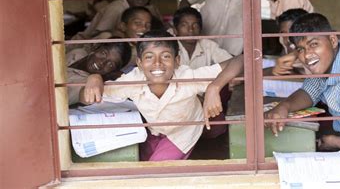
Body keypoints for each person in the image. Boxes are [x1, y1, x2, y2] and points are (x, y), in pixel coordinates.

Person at [204, 13, 340, 158]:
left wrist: (335, 141)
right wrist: (285, 106)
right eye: (300, 49)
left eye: (313, 44)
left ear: (332, 40)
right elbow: (311, 90)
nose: (306, 55)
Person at [81, 30, 244, 161]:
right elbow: (90, 96)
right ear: (139, 63)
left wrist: (214, 87)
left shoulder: (187, 77)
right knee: (143, 164)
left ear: (177, 60)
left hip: (183, 131)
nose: (157, 63)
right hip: (155, 130)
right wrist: (94, 78)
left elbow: (242, 59)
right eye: (149, 57)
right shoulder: (132, 80)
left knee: (157, 170)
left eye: (165, 56)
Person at [173, 7, 233, 138]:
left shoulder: (208, 45)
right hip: (177, 100)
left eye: (195, 25)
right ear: (175, 30)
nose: (190, 30)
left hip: (206, 99)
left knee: (217, 127)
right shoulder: (168, 47)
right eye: (184, 25)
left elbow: (231, 62)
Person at [71, 0, 153, 41]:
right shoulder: (117, 8)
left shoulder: (141, 11)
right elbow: (98, 35)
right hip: (82, 48)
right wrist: (119, 33)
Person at [67, 42, 131, 106]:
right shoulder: (77, 53)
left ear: (113, 72)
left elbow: (87, 97)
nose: (102, 62)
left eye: (110, 64)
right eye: (103, 53)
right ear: (96, 48)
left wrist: (96, 77)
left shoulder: (90, 84)